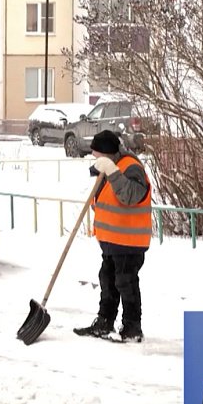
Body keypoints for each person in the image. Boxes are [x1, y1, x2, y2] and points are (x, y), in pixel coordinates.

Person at [73, 130, 151, 342]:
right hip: (111, 239)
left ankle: (132, 328)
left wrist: (112, 171)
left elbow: (130, 196)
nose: (94, 158)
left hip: (129, 240)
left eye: (97, 154)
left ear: (108, 152)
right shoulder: (108, 166)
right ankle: (104, 322)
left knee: (126, 283)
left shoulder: (131, 167)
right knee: (107, 281)